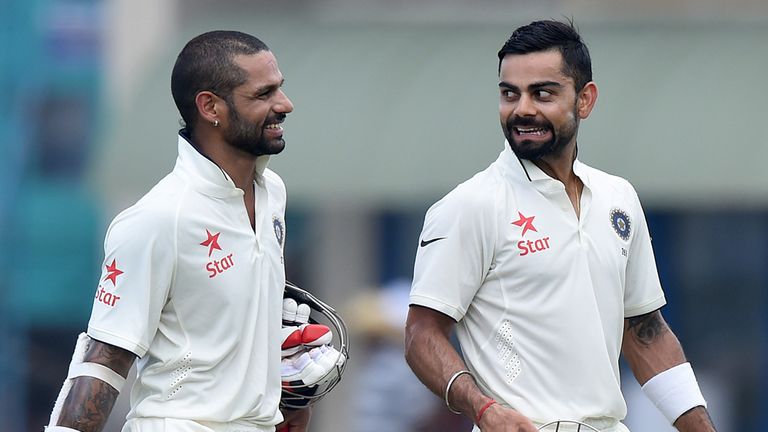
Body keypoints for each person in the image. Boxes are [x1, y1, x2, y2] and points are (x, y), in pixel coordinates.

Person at [404, 20, 717, 432]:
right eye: (509, 94)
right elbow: (421, 336)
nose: (522, 109)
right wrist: (483, 409)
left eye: (543, 93)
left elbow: (644, 332)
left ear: (585, 100)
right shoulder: (470, 204)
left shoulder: (618, 197)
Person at [45, 30, 313, 432]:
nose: (285, 104)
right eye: (263, 94)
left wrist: (284, 385)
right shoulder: (158, 218)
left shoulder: (272, 193)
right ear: (210, 107)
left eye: (281, 89)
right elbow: (103, 360)